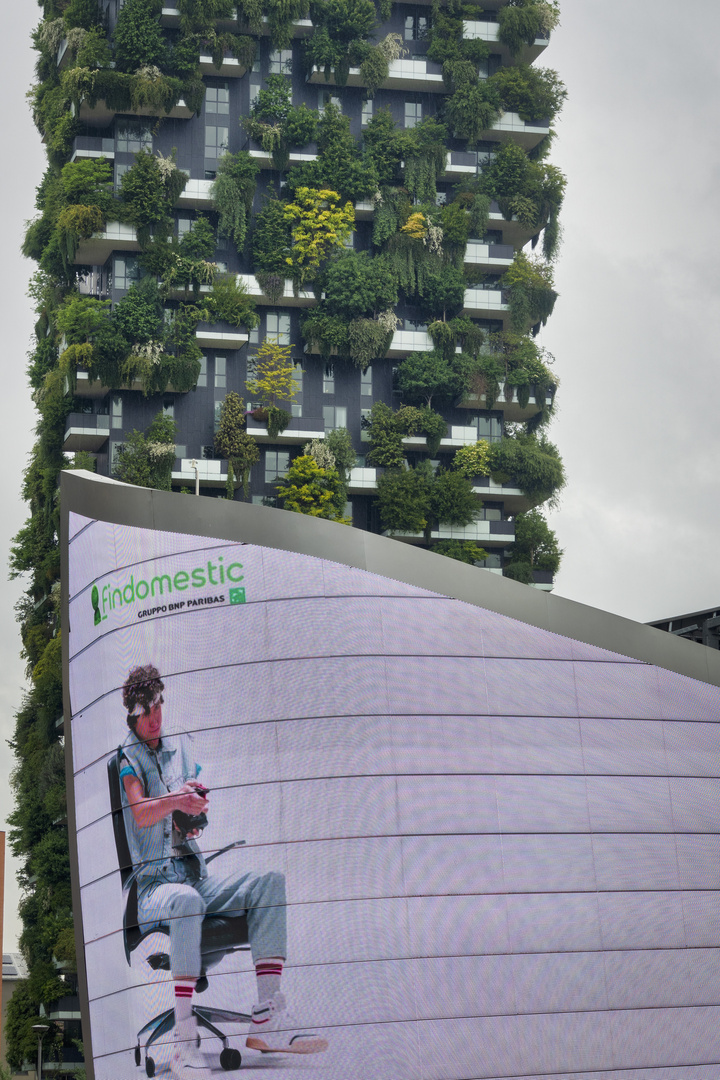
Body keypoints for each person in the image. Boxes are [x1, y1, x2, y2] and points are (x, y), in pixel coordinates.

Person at [119, 664, 327, 1077]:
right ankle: (183, 1040)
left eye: (159, 706)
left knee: (269, 883)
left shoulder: (180, 749)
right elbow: (141, 814)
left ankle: (267, 1018)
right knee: (186, 900)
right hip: (155, 888)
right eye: (146, 712)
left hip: (195, 876)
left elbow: (188, 808)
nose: (155, 718)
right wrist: (175, 801)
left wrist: (194, 809)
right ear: (132, 716)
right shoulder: (129, 758)